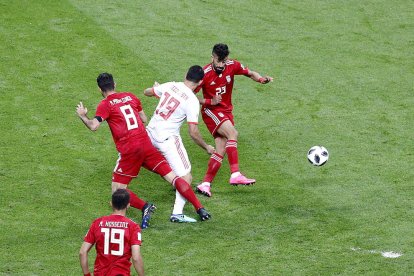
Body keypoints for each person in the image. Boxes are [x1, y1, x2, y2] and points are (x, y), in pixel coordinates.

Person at [76, 73, 211, 228]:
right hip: (146, 144)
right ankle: (200, 208)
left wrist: (83, 116)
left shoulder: (105, 104)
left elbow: (94, 126)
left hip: (130, 150)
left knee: (116, 193)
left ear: (100, 89)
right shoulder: (130, 97)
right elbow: (144, 119)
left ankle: (145, 207)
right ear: (115, 84)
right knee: (173, 177)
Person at [195, 43, 273, 197]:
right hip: (211, 111)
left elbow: (250, 73)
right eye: (218, 61)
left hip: (226, 111)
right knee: (233, 133)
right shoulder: (205, 73)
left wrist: (261, 79)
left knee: (221, 149)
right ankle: (235, 174)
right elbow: (190, 95)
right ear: (212, 58)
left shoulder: (232, 65)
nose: (221, 65)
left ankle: (205, 184)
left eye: (224, 61)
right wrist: (210, 102)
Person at [144, 65, 215, 223]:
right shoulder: (192, 100)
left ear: (186, 75)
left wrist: (157, 89)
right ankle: (177, 212)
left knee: (164, 170)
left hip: (149, 134)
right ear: (200, 82)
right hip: (167, 140)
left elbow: (147, 92)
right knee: (186, 176)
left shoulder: (171, 85)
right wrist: (207, 146)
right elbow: (193, 132)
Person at [79, 189, 145, 276]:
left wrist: (87, 274)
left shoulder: (97, 223)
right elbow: (136, 258)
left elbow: (82, 252)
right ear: (128, 205)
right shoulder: (133, 227)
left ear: (111, 203)